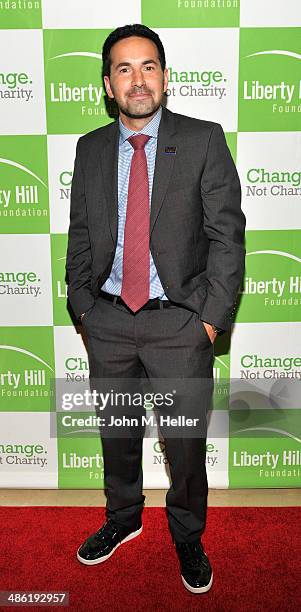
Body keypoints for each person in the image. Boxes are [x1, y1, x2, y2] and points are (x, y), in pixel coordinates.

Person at [66, 23, 245, 594]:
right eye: (124, 68)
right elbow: (81, 237)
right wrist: (84, 309)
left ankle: (188, 535)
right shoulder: (90, 148)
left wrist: (210, 320)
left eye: (148, 66)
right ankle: (122, 520)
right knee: (116, 434)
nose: (137, 79)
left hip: (180, 322)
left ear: (165, 77)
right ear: (107, 84)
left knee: (185, 443)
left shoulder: (203, 139)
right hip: (110, 319)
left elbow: (227, 238)